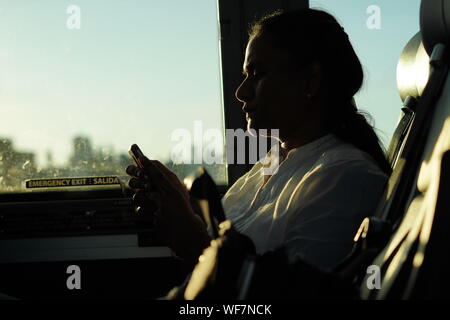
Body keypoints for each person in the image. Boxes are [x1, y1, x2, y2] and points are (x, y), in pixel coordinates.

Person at [126, 8, 390, 272]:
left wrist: (193, 242)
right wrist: (181, 207)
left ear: (310, 81)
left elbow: (290, 291)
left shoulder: (346, 177)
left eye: (258, 74)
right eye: (245, 76)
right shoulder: (274, 163)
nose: (241, 93)